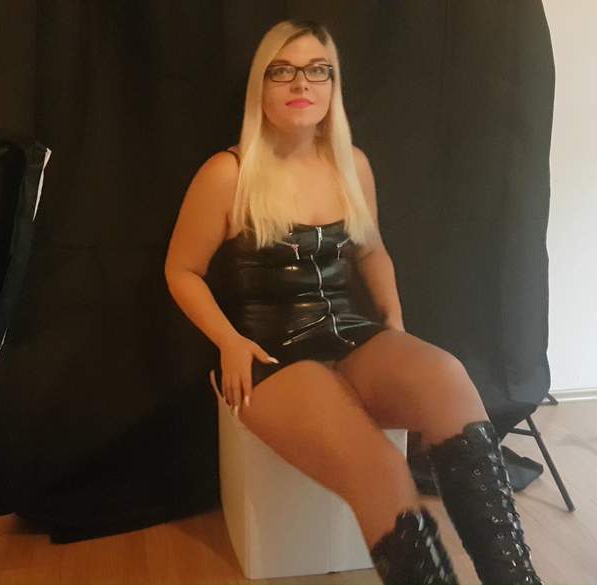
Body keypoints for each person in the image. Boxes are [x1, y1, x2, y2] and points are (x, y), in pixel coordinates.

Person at [163, 18, 542, 585]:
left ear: (333, 85)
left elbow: (371, 250)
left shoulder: (351, 164)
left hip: (348, 332)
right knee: (382, 470)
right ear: (260, 86)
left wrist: (394, 325)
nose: (302, 83)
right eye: (283, 71)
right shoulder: (228, 172)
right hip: (270, 353)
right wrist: (229, 341)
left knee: (448, 378)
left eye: (318, 71)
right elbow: (182, 270)